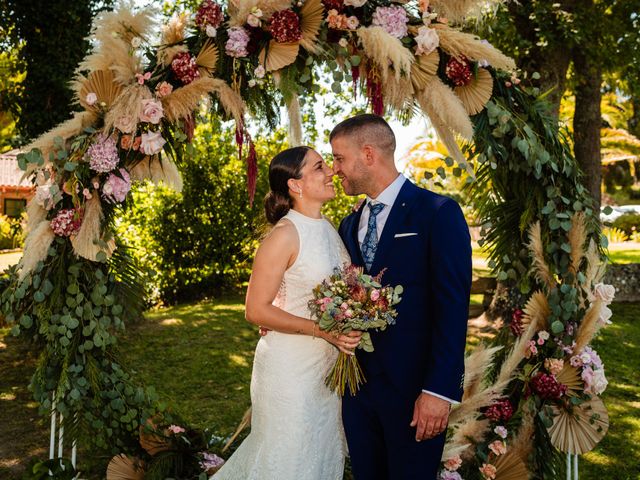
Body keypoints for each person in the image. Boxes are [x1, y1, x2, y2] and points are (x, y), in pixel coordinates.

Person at [331, 114, 472, 479]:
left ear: (367, 154)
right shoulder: (349, 224)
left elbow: (452, 311)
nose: (335, 170)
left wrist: (439, 392)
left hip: (415, 395)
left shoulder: (437, 213)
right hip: (359, 394)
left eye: (339, 158)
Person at [212, 146, 361, 480]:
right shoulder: (284, 235)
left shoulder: (328, 229)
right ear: (296, 185)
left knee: (319, 454)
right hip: (290, 371)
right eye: (320, 167)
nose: (331, 172)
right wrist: (322, 330)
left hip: (324, 371)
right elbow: (255, 309)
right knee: (288, 459)